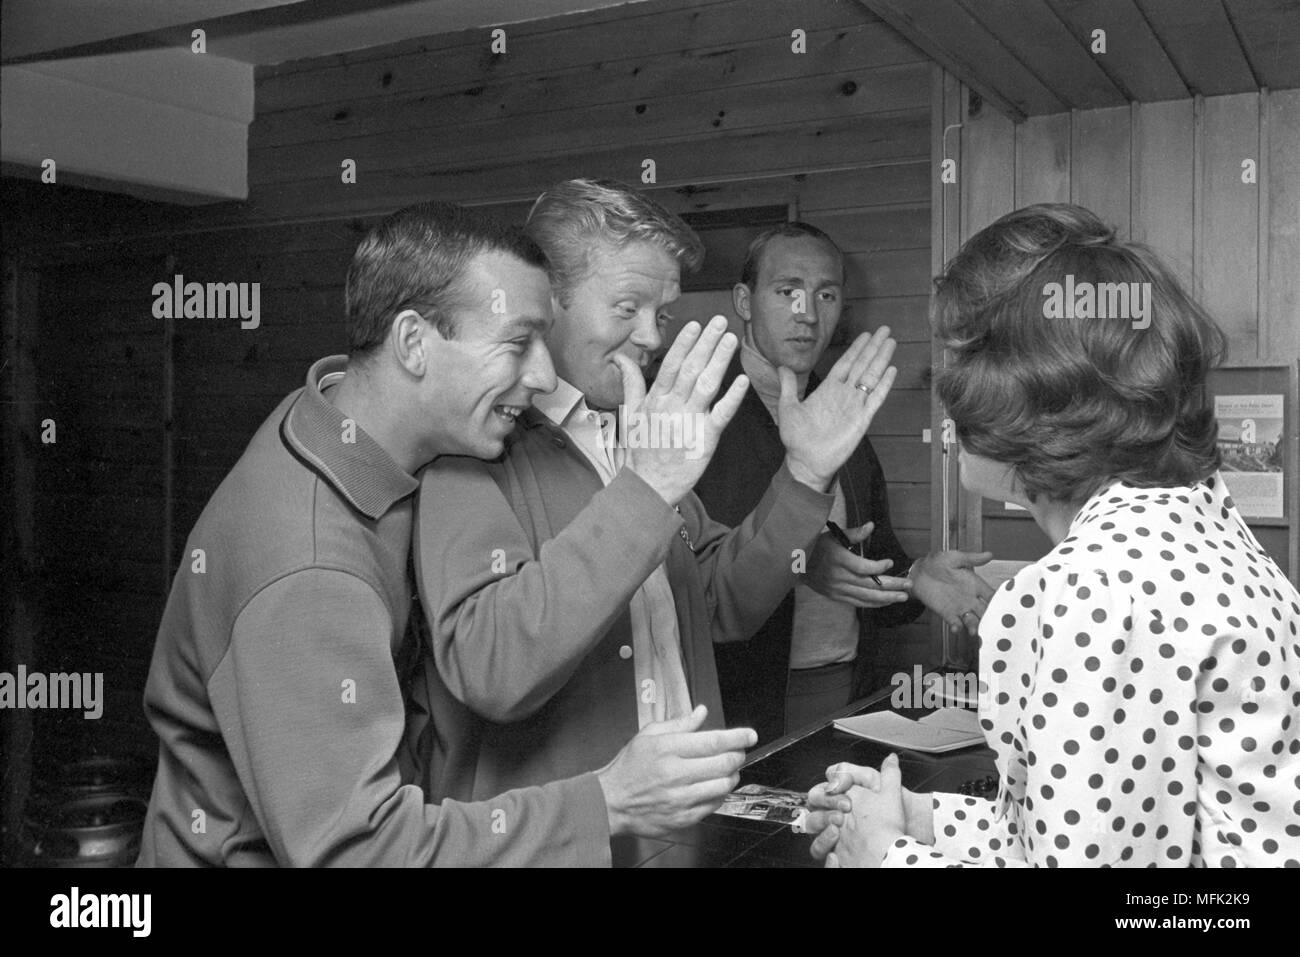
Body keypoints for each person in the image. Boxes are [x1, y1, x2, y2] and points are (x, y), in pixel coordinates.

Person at [137, 201, 757, 867]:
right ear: (411, 343)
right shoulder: (309, 566)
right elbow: (361, 853)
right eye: (518, 344)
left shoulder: (333, 423)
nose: (547, 377)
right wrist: (608, 801)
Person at [804, 203, 1300, 867]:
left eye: (961, 363)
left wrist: (885, 857)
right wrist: (920, 820)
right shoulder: (1203, 526)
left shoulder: (1097, 591)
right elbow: (1091, 839)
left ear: (1016, 398)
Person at [412, 179, 897, 807]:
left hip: (682, 833)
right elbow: (493, 668)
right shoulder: (474, 445)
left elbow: (724, 602)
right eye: (627, 307)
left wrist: (803, 478)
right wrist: (643, 491)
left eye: (661, 314)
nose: (650, 336)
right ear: (546, 300)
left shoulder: (626, 435)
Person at [695, 222, 996, 743]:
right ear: (744, 301)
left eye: (826, 294)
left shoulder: (843, 417)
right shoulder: (696, 414)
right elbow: (689, 573)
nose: (807, 313)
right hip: (735, 704)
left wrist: (917, 576)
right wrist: (801, 558)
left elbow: (873, 559)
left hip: (847, 691)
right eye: (787, 291)